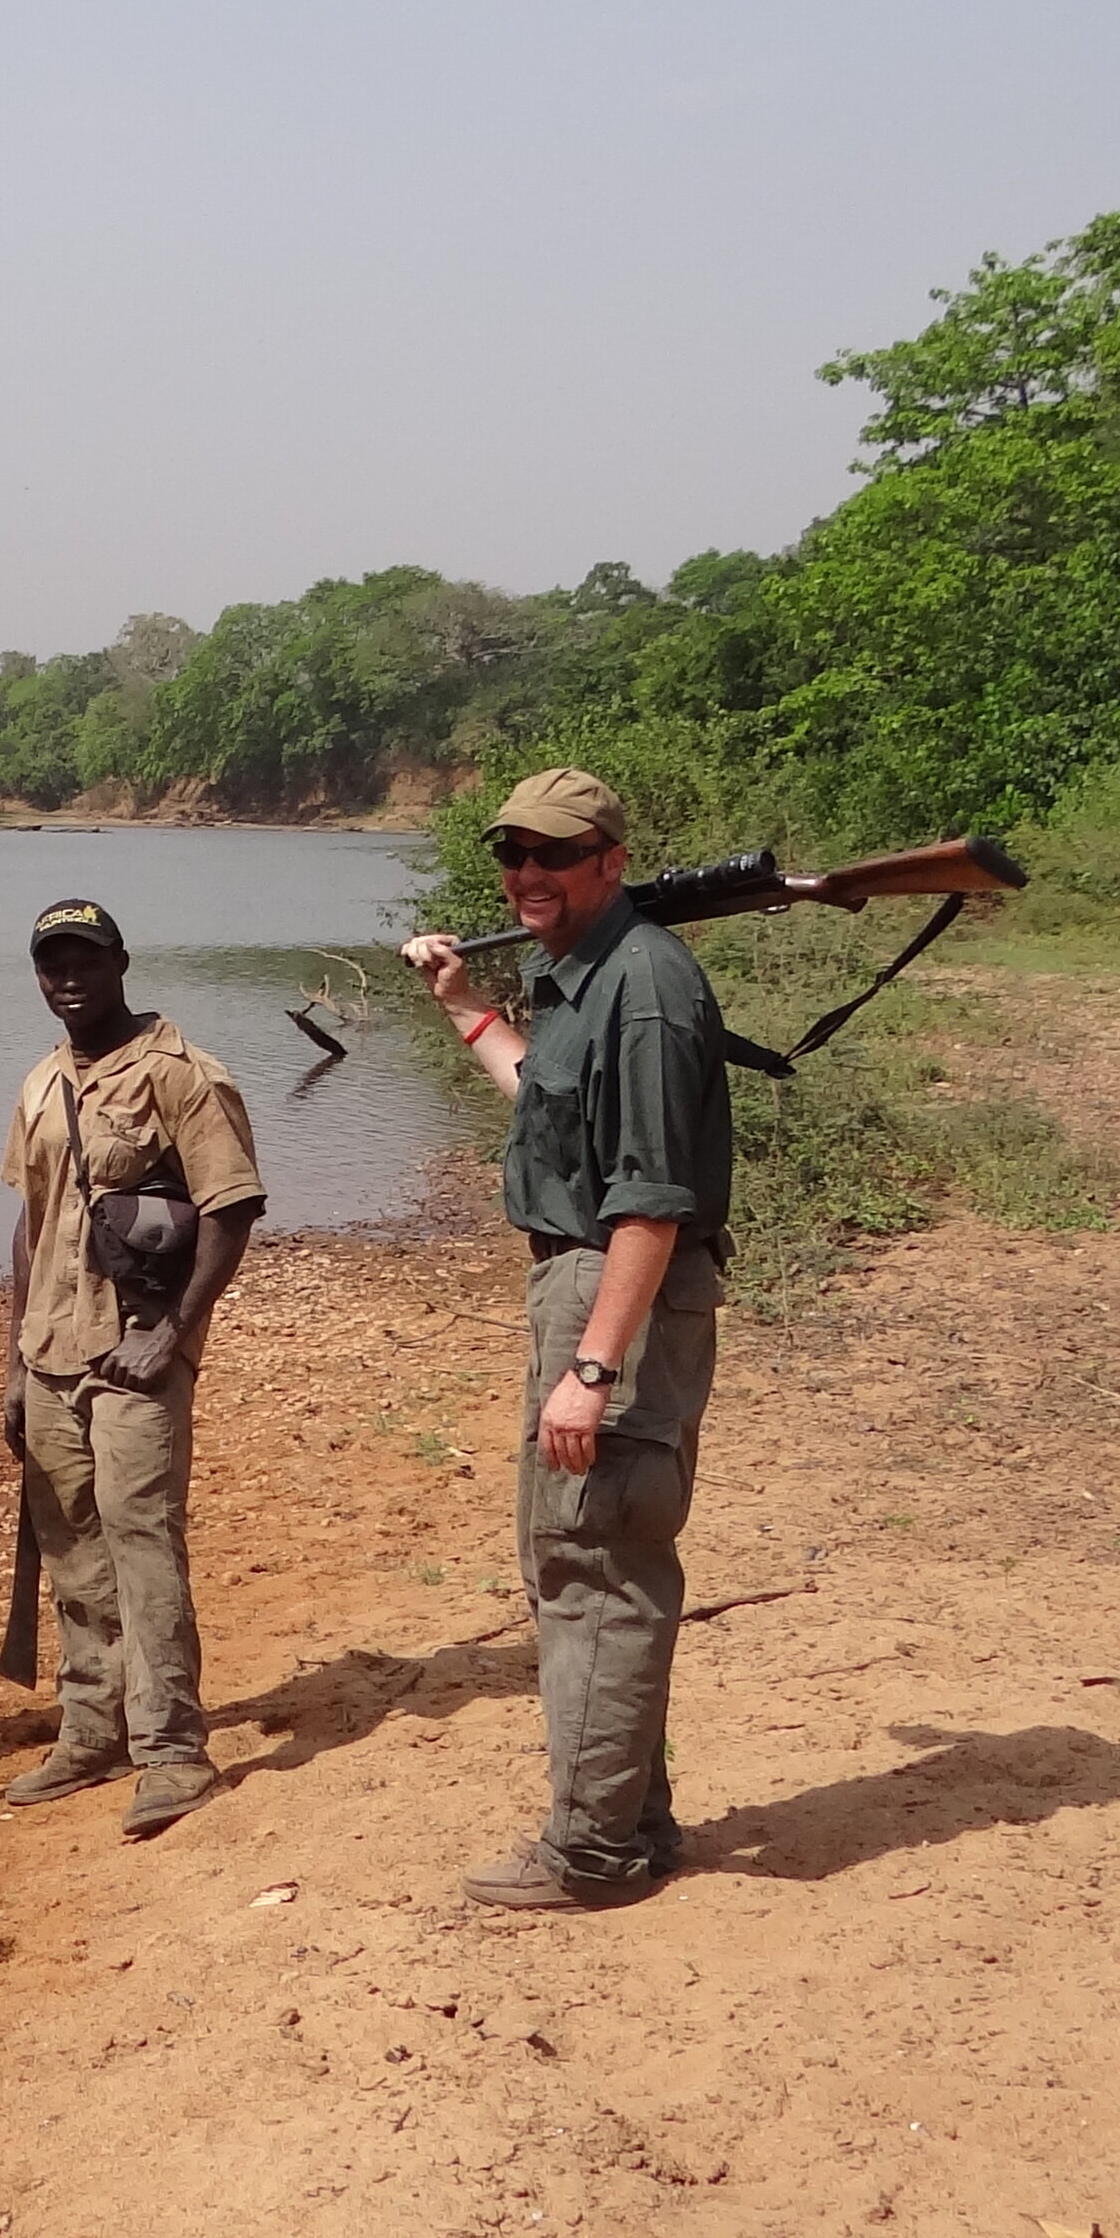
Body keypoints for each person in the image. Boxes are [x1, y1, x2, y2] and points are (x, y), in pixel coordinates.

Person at [398, 765, 735, 1911]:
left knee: (596, 1564)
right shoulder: (580, 978)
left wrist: (593, 1367)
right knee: (576, 1558)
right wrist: (460, 1003)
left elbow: (652, 1202)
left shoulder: (642, 987)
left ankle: (590, 1854)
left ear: (610, 860)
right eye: (513, 856)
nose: (526, 874)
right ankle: (632, 1822)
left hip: (616, 1292)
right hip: (584, 1281)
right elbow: (546, 1099)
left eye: (553, 854)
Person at [0, 899, 265, 1842]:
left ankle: (172, 1751)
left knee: (143, 1541)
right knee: (70, 1545)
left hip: (135, 1353)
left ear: (121, 963)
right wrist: (15, 1364)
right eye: (52, 961)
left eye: (86, 958)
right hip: (52, 1356)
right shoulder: (39, 1082)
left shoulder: (182, 1076)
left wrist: (175, 1336)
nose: (68, 976)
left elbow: (231, 1208)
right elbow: (31, 1223)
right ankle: (90, 1731)